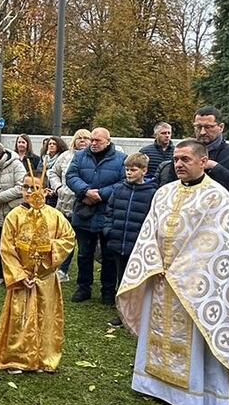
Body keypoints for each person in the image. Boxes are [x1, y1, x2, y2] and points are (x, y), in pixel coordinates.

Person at [117, 140, 229, 405]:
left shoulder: (217, 196)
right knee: (156, 331)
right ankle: (153, 385)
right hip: (159, 276)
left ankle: (192, 396)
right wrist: (152, 262)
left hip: (194, 283)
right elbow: (149, 231)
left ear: (203, 161)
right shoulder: (164, 193)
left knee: (194, 339)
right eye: (176, 159)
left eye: (185, 159)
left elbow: (215, 243)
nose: (179, 164)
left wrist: (180, 271)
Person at [0, 172, 77, 374]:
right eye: (26, 187)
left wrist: (48, 248)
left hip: (46, 280)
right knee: (20, 318)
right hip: (22, 278)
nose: (30, 192)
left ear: (45, 190)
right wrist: (19, 275)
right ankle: (16, 358)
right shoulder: (14, 216)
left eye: (35, 188)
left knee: (46, 318)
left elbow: (68, 239)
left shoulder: (55, 215)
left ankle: (43, 357)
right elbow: (6, 248)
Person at [66, 127, 126, 304]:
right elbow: (71, 176)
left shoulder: (121, 159)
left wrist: (101, 194)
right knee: (84, 253)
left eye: (97, 140)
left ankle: (108, 291)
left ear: (108, 141)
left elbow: (123, 181)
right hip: (84, 211)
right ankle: (83, 288)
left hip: (108, 213)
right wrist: (85, 191)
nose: (93, 143)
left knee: (108, 255)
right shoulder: (80, 156)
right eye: (92, 140)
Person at [103, 153, 157, 324]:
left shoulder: (152, 194)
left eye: (133, 170)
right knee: (122, 278)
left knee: (137, 281)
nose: (129, 173)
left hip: (138, 245)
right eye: (127, 170)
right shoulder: (119, 190)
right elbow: (109, 211)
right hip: (119, 241)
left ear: (144, 171)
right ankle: (122, 313)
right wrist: (108, 230)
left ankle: (139, 313)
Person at [159, 107, 229, 202]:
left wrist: (216, 168)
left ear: (221, 127)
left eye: (208, 127)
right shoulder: (182, 152)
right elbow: (169, 186)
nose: (202, 132)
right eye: (198, 127)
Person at [0, 141, 26, 286]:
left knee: (16, 245)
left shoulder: (16, 164)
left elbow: (21, 187)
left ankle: (17, 274)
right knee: (0, 245)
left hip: (14, 210)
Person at [50, 128, 90, 281]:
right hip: (63, 204)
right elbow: (52, 172)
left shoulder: (92, 159)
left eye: (86, 138)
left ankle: (83, 275)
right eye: (79, 138)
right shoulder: (65, 156)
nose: (82, 141)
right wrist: (58, 187)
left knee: (82, 242)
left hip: (83, 205)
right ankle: (62, 269)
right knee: (63, 238)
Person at [41, 136, 67, 206]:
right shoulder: (43, 159)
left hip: (57, 195)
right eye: (50, 144)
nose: (51, 145)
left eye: (54, 144)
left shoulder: (62, 159)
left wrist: (55, 190)